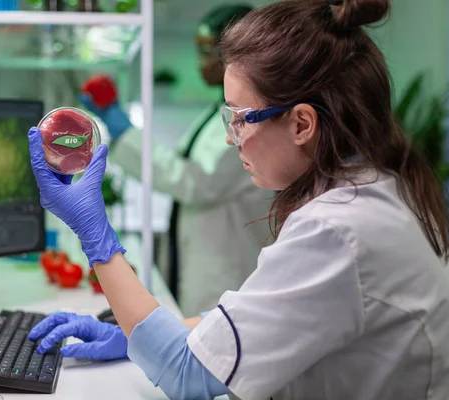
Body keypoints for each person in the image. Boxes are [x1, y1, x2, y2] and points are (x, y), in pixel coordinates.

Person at [26, 0, 449, 398]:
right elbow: (266, 321)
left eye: (240, 119)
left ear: (302, 123)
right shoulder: (377, 188)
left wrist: (94, 233)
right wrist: (136, 336)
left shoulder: (336, 229)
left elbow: (185, 374)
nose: (230, 137)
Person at [80, 4, 273, 317]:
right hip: (205, 265)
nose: (200, 63)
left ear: (238, 54)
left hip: (227, 274)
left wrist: (126, 131)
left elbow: (196, 183)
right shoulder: (215, 114)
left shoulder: (253, 122)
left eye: (207, 52)